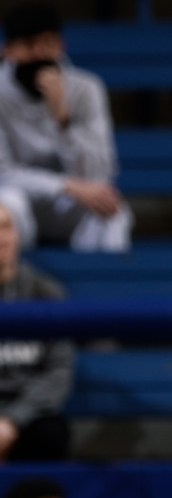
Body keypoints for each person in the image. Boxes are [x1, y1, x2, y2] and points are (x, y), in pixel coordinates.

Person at [0, 3, 131, 251]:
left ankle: (98, 288)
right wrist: (66, 186)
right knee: (8, 203)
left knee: (113, 211)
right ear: (8, 51)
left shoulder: (86, 88)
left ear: (60, 44)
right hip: (19, 200)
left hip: (68, 206)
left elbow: (99, 172)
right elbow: (3, 173)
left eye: (47, 43)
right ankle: (14, 286)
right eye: (29, 45)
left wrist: (63, 119)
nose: (39, 53)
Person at [0, 189, 74, 462]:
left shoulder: (46, 291)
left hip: (28, 417)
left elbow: (58, 371)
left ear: (18, 234)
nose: (1, 238)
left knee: (51, 435)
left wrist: (11, 421)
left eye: (6, 227)